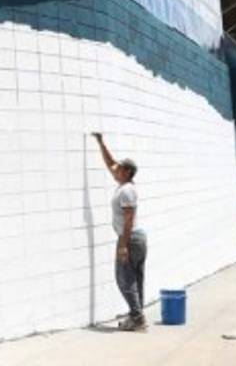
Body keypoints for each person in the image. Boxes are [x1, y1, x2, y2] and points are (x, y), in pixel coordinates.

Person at [93, 131, 147, 331]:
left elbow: (129, 218)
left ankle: (137, 318)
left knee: (124, 278)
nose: (114, 170)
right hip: (135, 238)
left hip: (130, 239)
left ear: (126, 172)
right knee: (135, 278)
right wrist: (101, 142)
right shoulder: (125, 185)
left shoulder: (126, 191)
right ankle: (137, 316)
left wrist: (123, 245)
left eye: (119, 169)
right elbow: (110, 163)